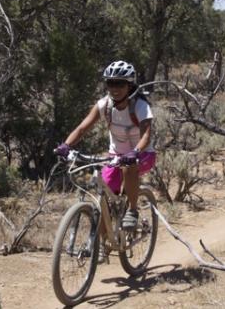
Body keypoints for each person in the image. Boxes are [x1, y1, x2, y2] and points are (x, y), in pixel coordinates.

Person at [55, 60, 156, 230]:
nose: (114, 88)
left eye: (119, 83)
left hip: (143, 154)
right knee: (103, 202)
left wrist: (135, 152)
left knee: (129, 167)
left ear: (129, 85)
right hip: (115, 156)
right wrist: (66, 145)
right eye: (110, 83)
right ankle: (102, 245)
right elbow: (81, 128)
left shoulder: (140, 105)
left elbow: (146, 135)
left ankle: (132, 210)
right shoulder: (105, 105)